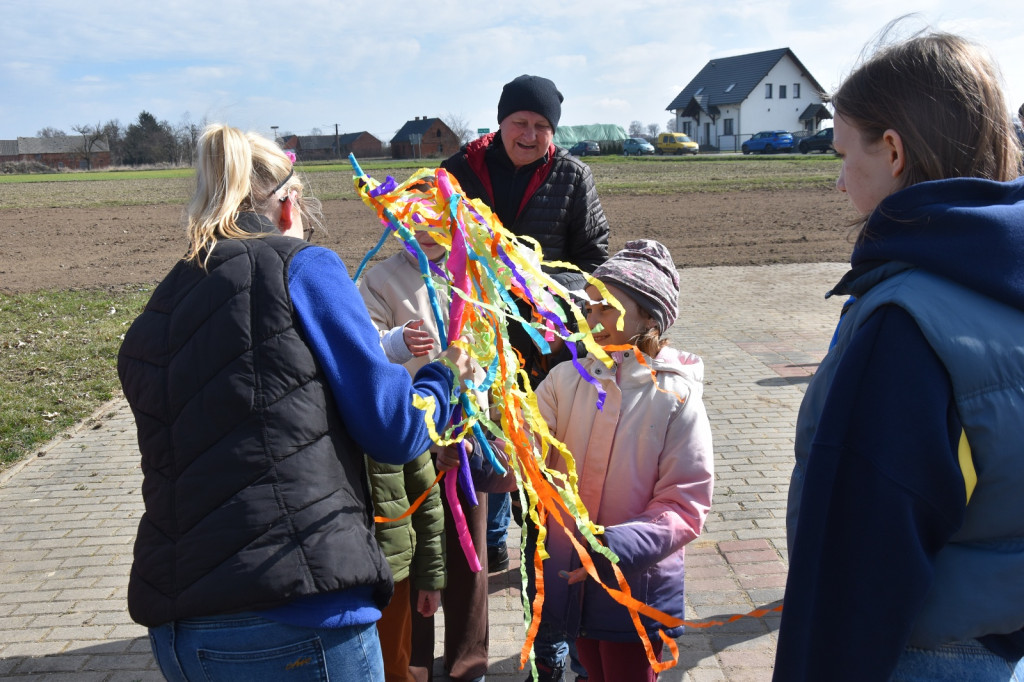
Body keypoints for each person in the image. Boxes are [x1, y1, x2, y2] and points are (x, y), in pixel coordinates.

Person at [117, 124, 474, 682]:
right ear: (290, 207)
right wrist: (442, 375)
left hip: (180, 625)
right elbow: (394, 428)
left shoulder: (160, 308)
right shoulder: (301, 266)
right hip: (300, 611)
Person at [776, 28, 1024, 680]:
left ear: (892, 151)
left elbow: (856, 569)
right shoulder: (1005, 282)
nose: (838, 183)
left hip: (914, 653)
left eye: (842, 154)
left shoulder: (905, 324)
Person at [440, 74, 611, 682]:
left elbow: (594, 255)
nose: (531, 135)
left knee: (545, 485)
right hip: (473, 349)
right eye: (521, 124)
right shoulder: (458, 169)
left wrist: (544, 290)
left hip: (545, 353)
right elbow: (433, 243)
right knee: (478, 476)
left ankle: (550, 635)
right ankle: (484, 572)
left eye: (542, 127)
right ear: (500, 123)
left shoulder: (572, 177)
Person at [502, 240, 714, 682]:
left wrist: (616, 547)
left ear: (649, 319)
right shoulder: (565, 380)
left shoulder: (675, 397)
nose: (593, 318)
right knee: (591, 671)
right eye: (591, 306)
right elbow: (525, 452)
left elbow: (685, 505)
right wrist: (487, 449)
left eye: (607, 308)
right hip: (570, 576)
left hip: (634, 582)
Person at [359, 229, 493, 682]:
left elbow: (485, 355)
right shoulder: (379, 279)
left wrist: (475, 428)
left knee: (467, 557)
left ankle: (466, 663)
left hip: (464, 439)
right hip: (409, 441)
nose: (425, 228)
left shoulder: (474, 272)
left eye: (436, 214)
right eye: (413, 217)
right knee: (417, 557)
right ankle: (413, 666)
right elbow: (370, 358)